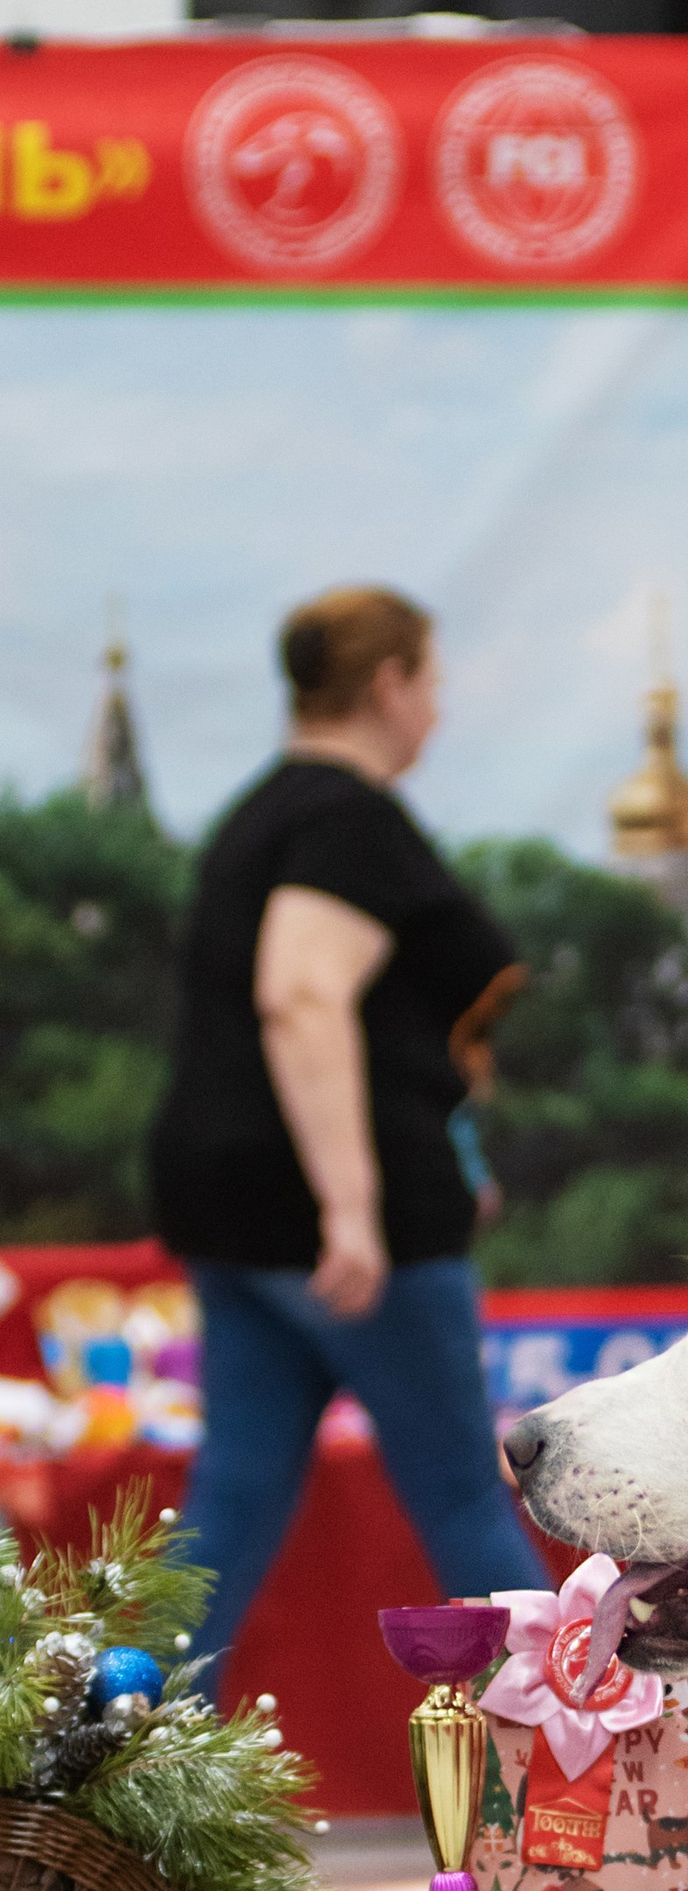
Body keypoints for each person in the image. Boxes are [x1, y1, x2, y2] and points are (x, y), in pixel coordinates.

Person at [150, 587, 544, 1692]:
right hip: (348, 1231)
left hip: (236, 1217)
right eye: (431, 682)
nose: (438, 709)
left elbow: (364, 1026)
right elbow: (303, 995)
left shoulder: (258, 819)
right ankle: (577, 1765)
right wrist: (354, 1208)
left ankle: (105, 1763)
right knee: (464, 1500)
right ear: (389, 683)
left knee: (230, 1502)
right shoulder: (348, 822)